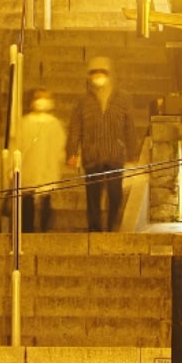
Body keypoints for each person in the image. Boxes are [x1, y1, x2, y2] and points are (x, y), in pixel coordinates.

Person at [67, 56, 141, 232]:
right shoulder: (83, 102)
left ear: (109, 74)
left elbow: (129, 126)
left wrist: (132, 153)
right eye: (94, 73)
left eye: (102, 72)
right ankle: (94, 229)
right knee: (93, 197)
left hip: (114, 154)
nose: (98, 76)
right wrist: (72, 152)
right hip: (92, 155)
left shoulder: (122, 99)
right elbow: (75, 128)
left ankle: (112, 226)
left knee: (115, 195)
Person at [18, 87, 67, 233]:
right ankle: (27, 230)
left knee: (46, 200)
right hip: (29, 166)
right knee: (27, 201)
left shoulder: (54, 124)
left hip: (47, 166)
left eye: (45, 98)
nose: (41, 101)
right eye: (38, 97)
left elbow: (60, 147)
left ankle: (44, 229)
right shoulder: (24, 122)